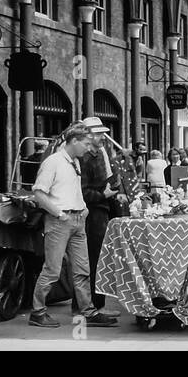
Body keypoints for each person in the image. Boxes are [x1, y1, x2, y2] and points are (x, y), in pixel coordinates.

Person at [29, 123, 117, 329]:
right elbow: (38, 193)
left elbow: (75, 189)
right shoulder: (53, 162)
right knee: (52, 269)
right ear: (74, 141)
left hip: (77, 218)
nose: (88, 147)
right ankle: (38, 311)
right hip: (61, 220)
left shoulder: (74, 162)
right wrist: (59, 214)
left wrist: (83, 208)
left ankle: (87, 310)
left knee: (82, 270)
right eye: (85, 143)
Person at [78, 117, 131, 311]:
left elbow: (109, 178)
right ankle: (92, 305)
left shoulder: (100, 153)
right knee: (93, 258)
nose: (103, 137)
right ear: (88, 135)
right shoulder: (83, 158)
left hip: (101, 209)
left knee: (99, 258)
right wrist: (104, 194)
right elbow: (82, 191)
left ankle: (96, 304)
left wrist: (115, 193)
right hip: (91, 213)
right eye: (99, 133)